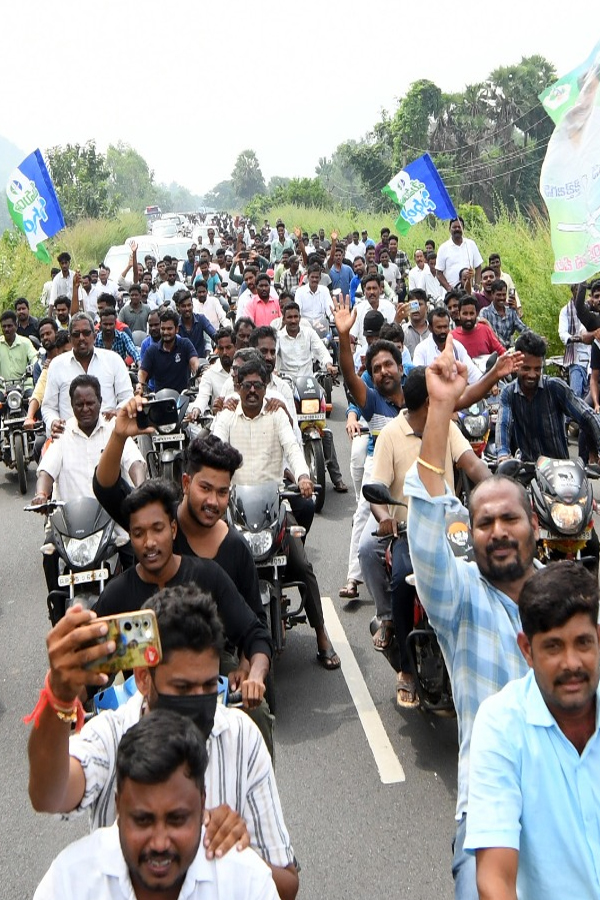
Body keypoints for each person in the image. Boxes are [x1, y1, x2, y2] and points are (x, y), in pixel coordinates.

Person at [27, 587, 297, 899]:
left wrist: (242, 853)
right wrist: (58, 697)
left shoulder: (242, 737)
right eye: (182, 687)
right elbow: (48, 795)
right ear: (143, 678)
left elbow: (286, 885)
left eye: (209, 686)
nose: (160, 843)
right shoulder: (110, 735)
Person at [403, 332, 540, 900]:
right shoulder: (461, 605)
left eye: (510, 519)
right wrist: (440, 407)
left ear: (534, 529)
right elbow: (433, 513)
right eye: (484, 524)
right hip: (489, 819)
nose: (499, 531)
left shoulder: (564, 611)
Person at [465, 561, 600, 900]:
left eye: (583, 643)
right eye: (553, 646)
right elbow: (495, 878)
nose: (572, 663)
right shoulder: (501, 725)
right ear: (527, 650)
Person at [361, 366, 490, 707]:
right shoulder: (390, 434)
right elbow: (375, 490)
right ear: (430, 403)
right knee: (404, 584)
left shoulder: (446, 428)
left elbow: (472, 465)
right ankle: (405, 668)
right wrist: (386, 517)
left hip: (452, 532)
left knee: (481, 576)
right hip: (409, 533)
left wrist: (498, 490)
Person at [212, 356, 340, 670]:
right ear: (238, 387)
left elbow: (293, 449)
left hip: (274, 510)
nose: (253, 391)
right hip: (235, 513)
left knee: (301, 566)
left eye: (258, 384)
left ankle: (322, 635)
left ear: (266, 386)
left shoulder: (276, 415)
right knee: (213, 571)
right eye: (247, 385)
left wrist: (304, 476)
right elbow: (214, 450)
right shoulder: (227, 417)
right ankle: (215, 642)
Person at [496, 329, 600, 463]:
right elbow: (503, 424)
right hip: (527, 472)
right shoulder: (508, 393)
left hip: (561, 472)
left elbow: (587, 416)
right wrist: (503, 455)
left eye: (537, 369)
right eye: (526, 368)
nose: (532, 375)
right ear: (517, 365)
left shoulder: (555, 387)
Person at [41, 312, 133, 438]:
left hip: (109, 436)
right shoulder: (57, 365)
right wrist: (53, 422)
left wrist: (118, 412)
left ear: (95, 336)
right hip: (69, 438)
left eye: (86, 333)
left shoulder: (113, 360)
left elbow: (127, 397)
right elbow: (48, 408)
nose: (81, 338)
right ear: (70, 338)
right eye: (76, 334)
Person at [413, 307, 482, 384]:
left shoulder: (457, 347)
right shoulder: (421, 349)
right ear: (430, 328)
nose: (443, 331)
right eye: (439, 327)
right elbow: (418, 379)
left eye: (445, 327)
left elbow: (473, 373)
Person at [137, 309, 200, 394]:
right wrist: (140, 385)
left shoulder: (185, 344)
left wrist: (199, 375)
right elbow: (142, 372)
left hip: (184, 398)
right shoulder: (152, 350)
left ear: (177, 329)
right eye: (163, 329)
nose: (166, 332)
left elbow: (194, 363)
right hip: (159, 400)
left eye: (169, 329)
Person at [189, 328, 236, 415]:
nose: (225, 352)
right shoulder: (210, 373)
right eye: (221, 348)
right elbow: (203, 396)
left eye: (228, 348)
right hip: (219, 422)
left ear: (235, 347)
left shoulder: (243, 370)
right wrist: (196, 410)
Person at [435, 217, 483, 293]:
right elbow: (439, 273)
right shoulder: (443, 248)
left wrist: (477, 285)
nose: (457, 229)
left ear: (463, 229)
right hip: (452, 294)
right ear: (449, 229)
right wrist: (449, 289)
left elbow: (478, 267)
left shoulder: (471, 244)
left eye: (459, 227)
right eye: (454, 227)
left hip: (469, 291)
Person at [480, 279, 528, 347]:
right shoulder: (485, 312)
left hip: (509, 350)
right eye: (498, 295)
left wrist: (536, 338)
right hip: (493, 351)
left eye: (504, 295)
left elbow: (523, 328)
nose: (502, 298)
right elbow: (486, 335)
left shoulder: (511, 312)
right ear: (492, 294)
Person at [0, 309, 37, 387]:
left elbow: (34, 357)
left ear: (16, 326)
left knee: (34, 398)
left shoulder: (26, 342)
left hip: (24, 386)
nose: (6, 329)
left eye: (9, 326)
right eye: (4, 326)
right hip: (3, 388)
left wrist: (33, 365)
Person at [177, 289, 216, 359]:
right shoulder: (175, 324)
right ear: (178, 308)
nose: (187, 309)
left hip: (202, 363)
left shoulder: (201, 319)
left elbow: (214, 334)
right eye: (183, 306)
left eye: (189, 305)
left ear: (192, 305)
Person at [402, 289, 430, 358]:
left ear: (426, 307)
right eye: (413, 305)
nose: (416, 309)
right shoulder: (402, 331)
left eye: (419, 304)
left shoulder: (433, 331)